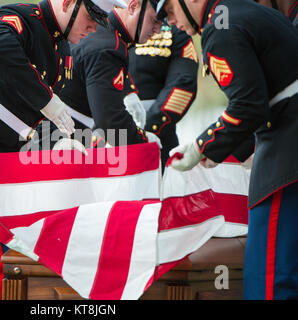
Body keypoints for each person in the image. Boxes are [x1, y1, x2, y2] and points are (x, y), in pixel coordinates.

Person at [0, 0, 126, 300]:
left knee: (16, 254)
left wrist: (72, 140)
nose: (94, 27)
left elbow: (33, 117)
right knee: (2, 255)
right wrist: (46, 99)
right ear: (68, 3)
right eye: (91, 16)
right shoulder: (23, 18)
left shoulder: (62, 49)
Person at [156, 0, 298, 299]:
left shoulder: (219, 27)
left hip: (287, 153)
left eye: (170, 11)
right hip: (284, 138)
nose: (171, 22)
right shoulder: (242, 12)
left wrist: (200, 147)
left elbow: (248, 105)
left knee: (269, 276)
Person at [57, 0, 163, 150]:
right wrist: (143, 140)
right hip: (59, 139)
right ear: (132, 7)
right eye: (154, 20)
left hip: (61, 132)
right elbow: (110, 121)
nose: (158, 30)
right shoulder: (109, 48)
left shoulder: (104, 30)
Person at [128, 22, 198, 169]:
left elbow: (183, 84)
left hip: (158, 139)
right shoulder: (101, 22)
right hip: (106, 139)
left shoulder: (174, 28)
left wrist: (144, 131)